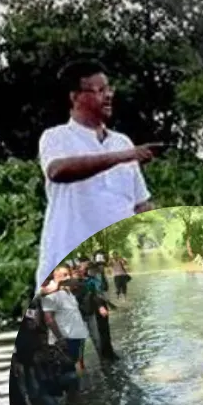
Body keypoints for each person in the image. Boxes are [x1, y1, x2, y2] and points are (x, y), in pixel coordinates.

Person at [36, 59, 159, 290]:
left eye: (109, 89)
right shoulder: (56, 137)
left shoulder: (122, 142)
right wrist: (122, 156)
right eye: (99, 90)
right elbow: (57, 171)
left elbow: (140, 204)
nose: (109, 95)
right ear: (75, 96)